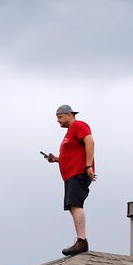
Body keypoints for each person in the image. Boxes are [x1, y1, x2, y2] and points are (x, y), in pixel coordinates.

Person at [43, 104, 96, 256]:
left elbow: (90, 142)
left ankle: (82, 241)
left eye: (59, 117)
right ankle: (81, 239)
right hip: (72, 174)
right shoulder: (70, 133)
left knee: (75, 204)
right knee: (72, 206)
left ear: (69, 115)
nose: (58, 121)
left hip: (78, 172)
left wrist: (88, 166)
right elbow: (71, 155)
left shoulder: (79, 125)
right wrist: (57, 159)